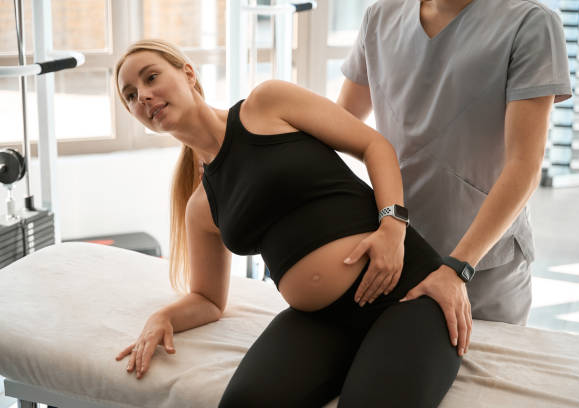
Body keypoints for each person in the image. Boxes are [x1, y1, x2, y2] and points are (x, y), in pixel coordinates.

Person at [113, 39, 461, 407]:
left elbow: (374, 146)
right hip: (324, 321)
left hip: (406, 293)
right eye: (131, 96)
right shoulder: (200, 207)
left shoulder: (267, 104)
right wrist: (161, 318)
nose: (144, 97)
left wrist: (393, 228)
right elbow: (208, 299)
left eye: (151, 78)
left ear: (188, 73)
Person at [337, 0, 572, 353]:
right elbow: (341, 123)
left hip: (482, 269)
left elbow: (524, 164)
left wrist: (458, 268)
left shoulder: (531, 23)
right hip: (396, 256)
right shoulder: (381, 16)